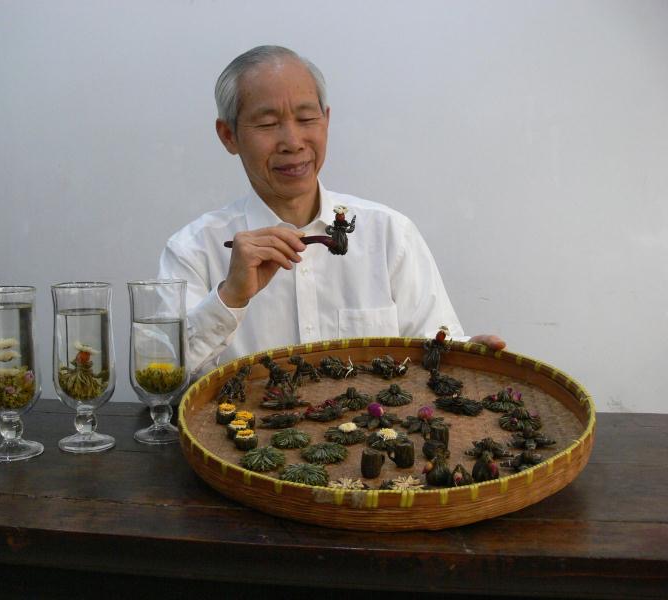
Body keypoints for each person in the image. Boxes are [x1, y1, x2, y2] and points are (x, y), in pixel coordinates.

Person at [158, 45, 504, 376]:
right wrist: (229, 297)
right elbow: (162, 384)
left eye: (306, 117)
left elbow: (434, 347)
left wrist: (466, 358)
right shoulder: (192, 250)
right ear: (228, 136)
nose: (293, 142)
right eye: (266, 124)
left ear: (326, 120)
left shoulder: (389, 234)